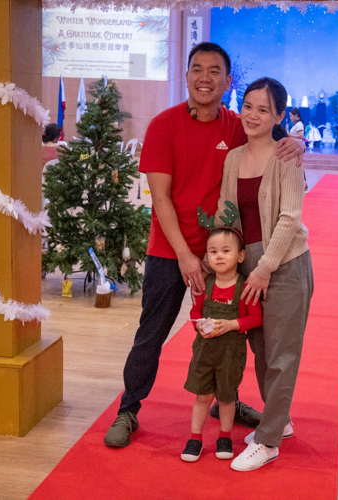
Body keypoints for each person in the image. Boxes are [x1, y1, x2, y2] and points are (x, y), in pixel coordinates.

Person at [103, 42, 304, 449]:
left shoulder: (235, 123)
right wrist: (184, 256)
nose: (205, 78)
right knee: (152, 332)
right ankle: (128, 408)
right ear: (187, 76)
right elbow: (160, 199)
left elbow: (280, 141)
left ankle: (223, 401)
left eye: (215, 71)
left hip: (225, 257)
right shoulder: (164, 125)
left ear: (228, 81)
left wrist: (300, 145)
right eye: (197, 69)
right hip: (170, 252)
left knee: (229, 335)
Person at [213, 77, 314, 471]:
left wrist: (265, 268)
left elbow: (289, 217)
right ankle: (280, 421)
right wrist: (224, 258)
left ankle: (268, 440)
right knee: (258, 346)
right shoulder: (233, 157)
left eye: (263, 109)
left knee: (281, 353)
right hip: (248, 262)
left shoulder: (286, 155)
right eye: (248, 106)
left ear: (278, 116)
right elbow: (226, 209)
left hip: (285, 262)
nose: (253, 115)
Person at [181, 227, 263, 462]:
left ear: (240, 256)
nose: (219, 256)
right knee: (202, 396)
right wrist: (198, 326)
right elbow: (195, 311)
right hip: (204, 352)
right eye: (213, 251)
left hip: (231, 353)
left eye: (226, 251)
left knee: (227, 397)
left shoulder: (246, 286)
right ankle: (195, 437)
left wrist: (231, 325)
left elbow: (255, 318)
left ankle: (224, 436)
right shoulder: (203, 285)